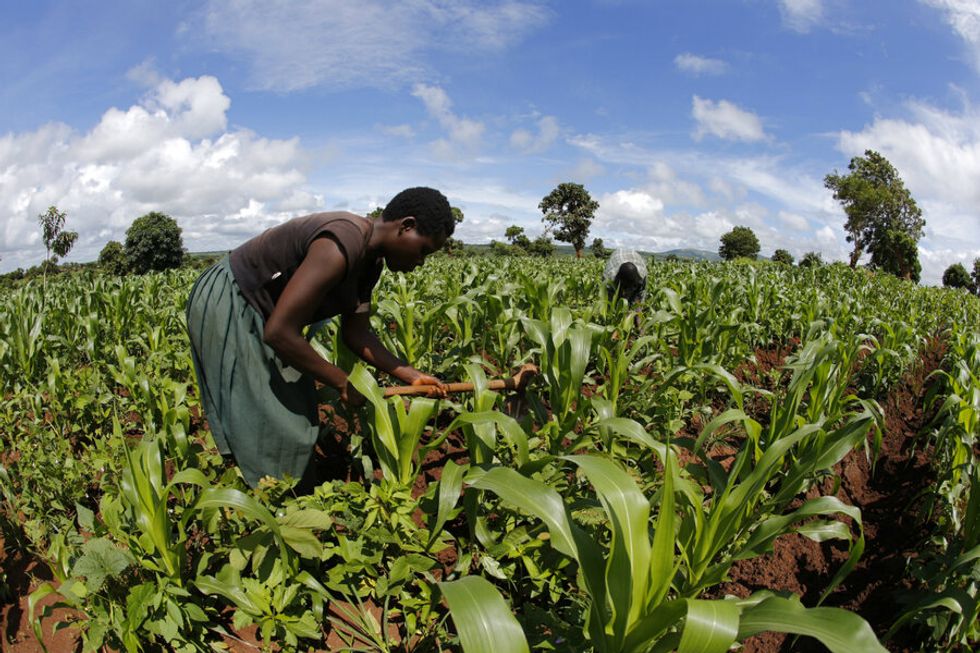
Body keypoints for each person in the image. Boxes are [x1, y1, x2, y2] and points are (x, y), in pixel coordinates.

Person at [185, 187, 452, 488]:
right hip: (234, 298)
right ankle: (269, 500)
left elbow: (356, 333)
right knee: (275, 417)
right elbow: (279, 332)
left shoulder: (370, 263)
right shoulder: (341, 243)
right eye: (424, 250)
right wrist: (341, 382)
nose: (421, 262)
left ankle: (277, 489)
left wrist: (411, 375)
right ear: (406, 226)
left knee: (291, 409)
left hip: (269, 315)